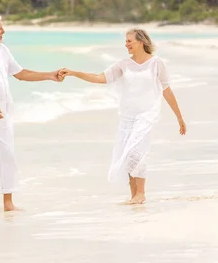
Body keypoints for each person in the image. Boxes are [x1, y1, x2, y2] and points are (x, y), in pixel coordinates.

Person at [59, 28, 186, 204]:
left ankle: (141, 193)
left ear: (141, 42)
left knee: (136, 152)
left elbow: (167, 90)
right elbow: (98, 78)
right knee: (127, 155)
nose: (126, 44)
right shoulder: (123, 65)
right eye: (125, 41)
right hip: (128, 117)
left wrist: (179, 117)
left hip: (146, 115)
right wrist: (74, 73)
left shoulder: (157, 64)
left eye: (129, 41)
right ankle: (134, 196)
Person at [0, 12, 64, 213]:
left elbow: (21, 74)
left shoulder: (2, 50)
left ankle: (8, 202)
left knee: (8, 154)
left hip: (3, 111)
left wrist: (50, 75)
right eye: (0, 28)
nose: (3, 31)